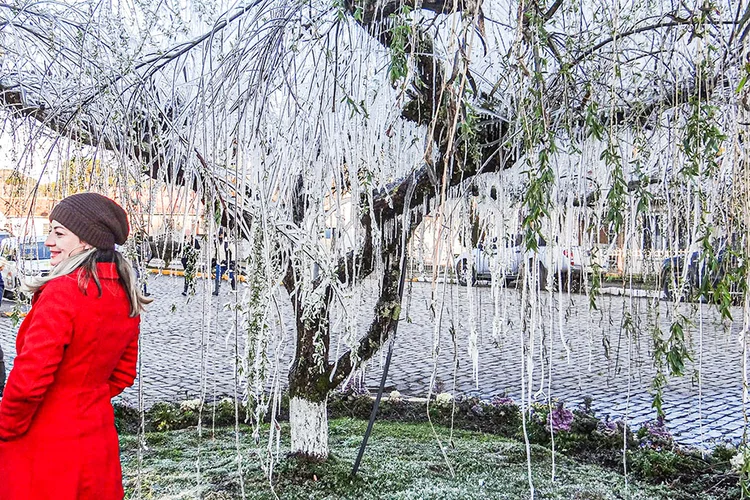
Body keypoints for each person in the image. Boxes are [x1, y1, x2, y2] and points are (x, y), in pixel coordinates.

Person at [0, 192, 152, 499]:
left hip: (44, 442)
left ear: (86, 240)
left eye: (59, 233)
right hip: (96, 439)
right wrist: (83, 397)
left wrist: (5, 428)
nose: (48, 242)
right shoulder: (124, 293)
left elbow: (28, 383)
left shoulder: (62, 293)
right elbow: (123, 375)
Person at [212, 228, 235, 296]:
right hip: (219, 263)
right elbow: (215, 251)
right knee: (218, 277)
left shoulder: (227, 242)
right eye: (218, 235)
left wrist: (232, 261)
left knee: (231, 276)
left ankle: (233, 289)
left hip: (227, 263)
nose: (220, 236)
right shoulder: (216, 242)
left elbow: (233, 251)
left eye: (221, 235)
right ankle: (216, 290)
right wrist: (213, 259)